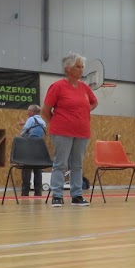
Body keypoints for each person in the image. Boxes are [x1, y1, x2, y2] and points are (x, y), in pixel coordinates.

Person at [42, 53, 97, 207]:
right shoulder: (58, 86)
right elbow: (45, 110)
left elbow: (94, 102)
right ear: (68, 69)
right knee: (60, 164)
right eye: (78, 67)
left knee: (77, 165)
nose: (81, 70)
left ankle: (77, 195)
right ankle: (57, 195)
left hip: (82, 132)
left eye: (82, 67)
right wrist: (57, 123)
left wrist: (83, 112)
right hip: (62, 132)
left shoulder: (84, 87)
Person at [18, 104, 47, 197]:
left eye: (28, 111)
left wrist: (20, 136)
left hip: (30, 146)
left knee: (26, 168)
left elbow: (24, 131)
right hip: (39, 147)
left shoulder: (31, 119)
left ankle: (25, 191)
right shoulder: (43, 121)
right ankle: (38, 192)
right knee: (37, 169)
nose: (27, 112)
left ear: (32, 112)